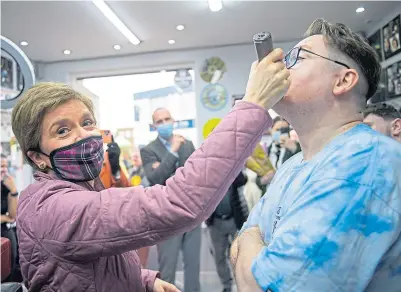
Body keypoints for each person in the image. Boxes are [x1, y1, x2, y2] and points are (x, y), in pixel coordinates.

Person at [10, 47, 290, 291]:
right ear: (37, 157)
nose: (84, 135)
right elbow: (179, 201)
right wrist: (253, 104)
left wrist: (143, 281)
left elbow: (91, 267)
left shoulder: (83, 189)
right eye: (62, 130)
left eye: (87, 122)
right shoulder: (54, 207)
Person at [230, 18, 401, 292]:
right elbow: (236, 251)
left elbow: (261, 286)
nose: (281, 67)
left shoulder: (366, 161)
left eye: (298, 57)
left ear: (343, 80)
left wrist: (251, 238)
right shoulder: (293, 165)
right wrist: (251, 246)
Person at [140, 108, 201, 292]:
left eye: (167, 119)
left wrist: (166, 169)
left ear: (173, 120)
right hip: (166, 215)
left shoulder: (188, 145)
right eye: (159, 121)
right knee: (168, 269)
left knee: (193, 267)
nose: (164, 123)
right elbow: (156, 178)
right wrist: (172, 152)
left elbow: (195, 177)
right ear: (154, 126)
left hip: (191, 212)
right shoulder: (148, 150)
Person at [205, 171, 248, 292]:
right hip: (216, 222)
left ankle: (242, 284)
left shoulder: (232, 171)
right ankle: (227, 286)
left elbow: (243, 180)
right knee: (219, 257)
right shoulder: (208, 174)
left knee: (238, 255)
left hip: (234, 220)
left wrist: (234, 165)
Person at [1, 154, 20, 282]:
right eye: (1, 166)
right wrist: (4, 218)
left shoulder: (5, 186)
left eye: (5, 166)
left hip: (4, 230)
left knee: (10, 265)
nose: (4, 170)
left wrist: (13, 190)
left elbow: (13, 215)